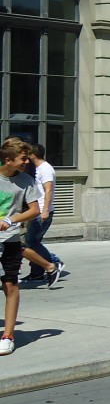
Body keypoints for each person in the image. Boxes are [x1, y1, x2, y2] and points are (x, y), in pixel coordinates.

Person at [0, 141, 47, 356]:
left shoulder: (26, 181)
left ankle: (8, 336)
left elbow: (34, 210)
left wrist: (11, 220)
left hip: (10, 240)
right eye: (23, 158)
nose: (27, 162)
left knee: (11, 285)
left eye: (27, 158)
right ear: (8, 160)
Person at [20, 144, 64, 285]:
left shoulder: (45, 169)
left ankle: (53, 263)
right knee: (33, 242)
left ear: (32, 155)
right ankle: (37, 273)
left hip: (41, 212)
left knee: (30, 243)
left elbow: (48, 190)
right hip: (36, 211)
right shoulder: (38, 168)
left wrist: (45, 210)